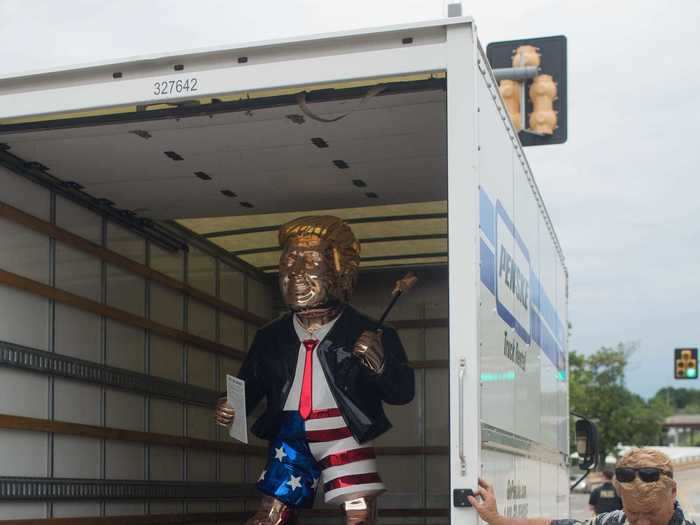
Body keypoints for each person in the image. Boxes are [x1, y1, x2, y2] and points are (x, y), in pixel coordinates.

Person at [214, 215, 415, 525]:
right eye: (289, 262)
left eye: (309, 263)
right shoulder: (271, 336)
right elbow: (249, 384)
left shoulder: (371, 332)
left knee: (358, 514)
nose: (295, 274)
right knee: (270, 517)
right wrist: (231, 404)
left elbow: (402, 393)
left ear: (342, 271)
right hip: (289, 435)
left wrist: (379, 365)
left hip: (345, 434)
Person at [468, 448, 696, 525]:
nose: (642, 524)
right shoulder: (612, 522)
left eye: (652, 514)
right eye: (634, 515)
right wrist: (497, 519)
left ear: (673, 491)